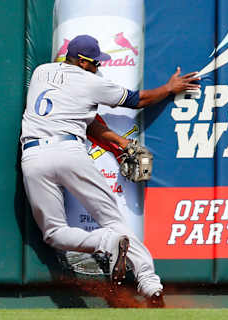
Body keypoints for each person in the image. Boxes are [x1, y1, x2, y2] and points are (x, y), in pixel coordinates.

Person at [20, 34, 200, 307]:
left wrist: (118, 141)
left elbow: (82, 116)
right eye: (94, 63)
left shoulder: (41, 72)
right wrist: (169, 88)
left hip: (33, 155)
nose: (98, 67)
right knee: (113, 222)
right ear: (82, 62)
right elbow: (139, 100)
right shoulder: (92, 83)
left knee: (54, 233)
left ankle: (110, 244)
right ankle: (149, 283)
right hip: (69, 152)